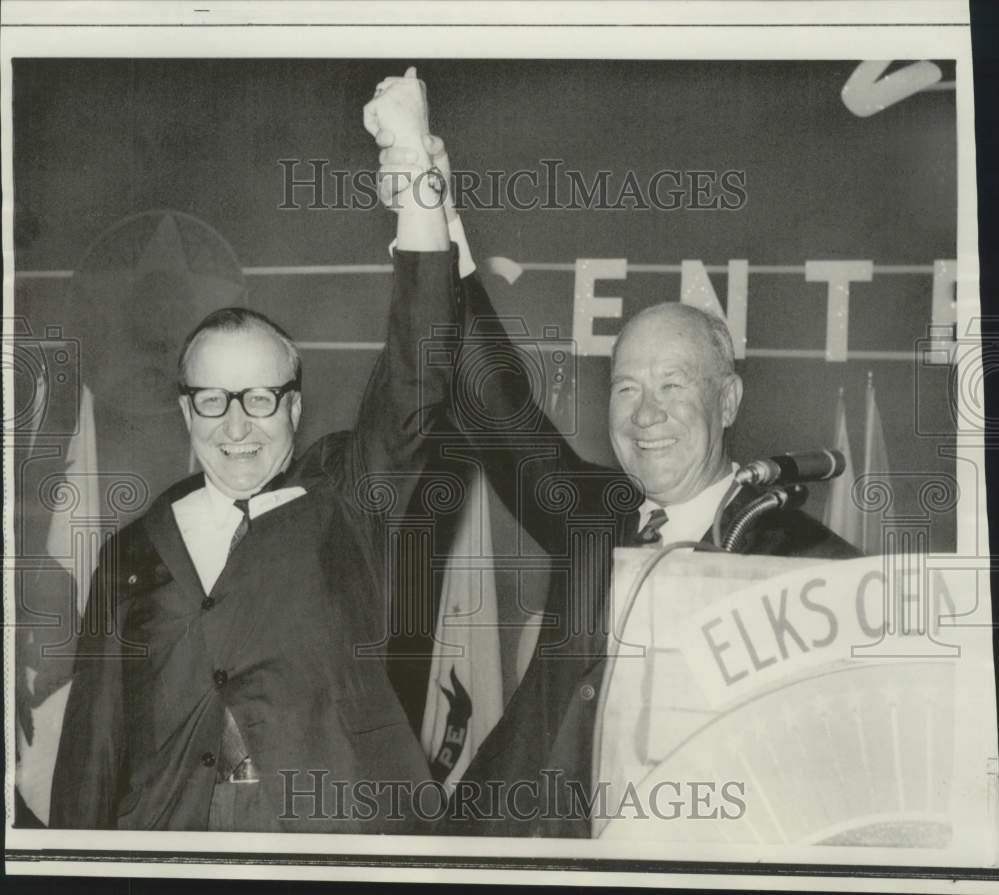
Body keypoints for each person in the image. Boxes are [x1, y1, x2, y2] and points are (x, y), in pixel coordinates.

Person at [376, 135, 861, 837]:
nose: (646, 414)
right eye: (627, 387)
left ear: (728, 400)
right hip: (508, 850)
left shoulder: (806, 563)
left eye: (672, 385)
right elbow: (492, 399)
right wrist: (432, 209)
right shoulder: (593, 514)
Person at [48, 69, 459, 832]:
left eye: (260, 398)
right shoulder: (131, 555)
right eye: (213, 399)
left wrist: (417, 182)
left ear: (295, 405)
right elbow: (91, 756)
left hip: (333, 840)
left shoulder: (346, 498)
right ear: (186, 410)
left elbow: (418, 375)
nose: (237, 425)